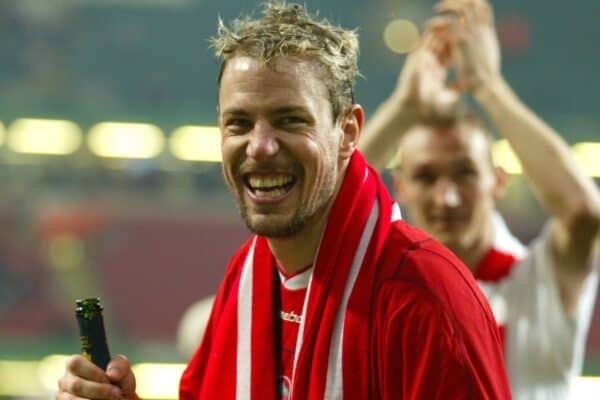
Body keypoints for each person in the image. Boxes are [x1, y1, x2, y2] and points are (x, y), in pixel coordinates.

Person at [57, 3, 512, 399]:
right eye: (238, 123)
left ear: (348, 132)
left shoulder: (424, 295)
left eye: (289, 120)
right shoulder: (247, 279)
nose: (259, 146)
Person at [358, 0, 600, 398]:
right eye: (426, 176)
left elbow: (584, 214)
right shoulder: (381, 289)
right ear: (399, 186)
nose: (447, 197)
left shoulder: (538, 282)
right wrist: (404, 108)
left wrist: (489, 87)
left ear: (498, 182)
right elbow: (322, 217)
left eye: (465, 173)